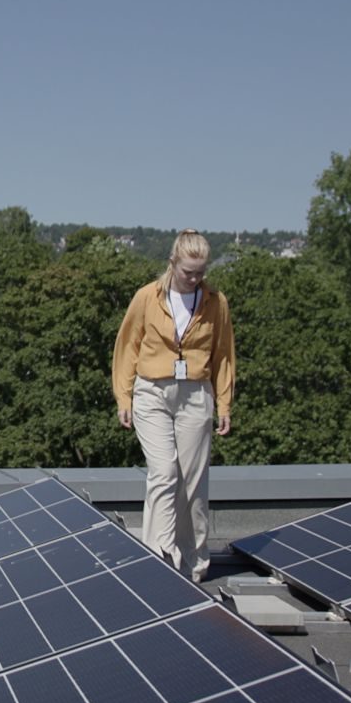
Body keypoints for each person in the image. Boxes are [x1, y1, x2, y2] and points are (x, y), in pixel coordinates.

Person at [110, 229, 236, 582]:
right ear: (172, 263)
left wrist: (224, 403)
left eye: (200, 272)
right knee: (164, 473)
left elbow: (224, 354)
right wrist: (124, 395)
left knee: (192, 484)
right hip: (152, 391)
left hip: (196, 393)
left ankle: (193, 563)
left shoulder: (215, 303)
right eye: (188, 272)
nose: (195, 278)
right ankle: (158, 559)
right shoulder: (147, 298)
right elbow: (127, 347)